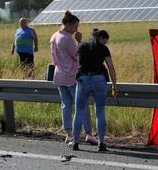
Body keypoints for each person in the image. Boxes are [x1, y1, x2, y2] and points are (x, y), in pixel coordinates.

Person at [49, 11, 98, 146]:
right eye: (75, 26)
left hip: (59, 75)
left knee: (65, 106)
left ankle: (69, 134)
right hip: (72, 75)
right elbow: (78, 56)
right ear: (69, 25)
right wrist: (80, 41)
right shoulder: (68, 39)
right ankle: (88, 133)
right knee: (82, 106)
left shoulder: (54, 36)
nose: (76, 29)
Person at [70, 28, 117, 152]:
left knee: (79, 111)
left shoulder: (81, 46)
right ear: (99, 38)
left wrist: (78, 42)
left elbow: (77, 63)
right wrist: (114, 85)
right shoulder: (103, 48)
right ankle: (101, 142)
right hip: (99, 80)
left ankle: (75, 142)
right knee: (100, 112)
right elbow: (111, 67)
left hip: (83, 79)